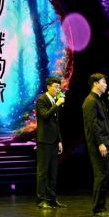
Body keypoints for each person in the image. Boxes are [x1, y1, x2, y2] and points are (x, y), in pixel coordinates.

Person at [82, 73, 109, 217]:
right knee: (101, 176)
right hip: (100, 143)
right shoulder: (90, 101)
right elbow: (93, 125)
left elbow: (106, 121)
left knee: (104, 175)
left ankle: (101, 207)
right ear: (95, 83)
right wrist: (101, 143)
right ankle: (98, 209)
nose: (106, 85)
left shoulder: (99, 100)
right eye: (103, 82)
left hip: (105, 141)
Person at [35, 76, 67, 209]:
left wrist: (59, 140)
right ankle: (41, 199)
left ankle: (52, 198)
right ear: (48, 87)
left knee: (53, 171)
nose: (58, 89)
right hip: (44, 140)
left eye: (59, 87)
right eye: (55, 87)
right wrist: (57, 104)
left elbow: (56, 123)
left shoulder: (55, 100)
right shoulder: (42, 100)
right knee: (43, 171)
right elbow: (45, 116)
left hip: (54, 140)